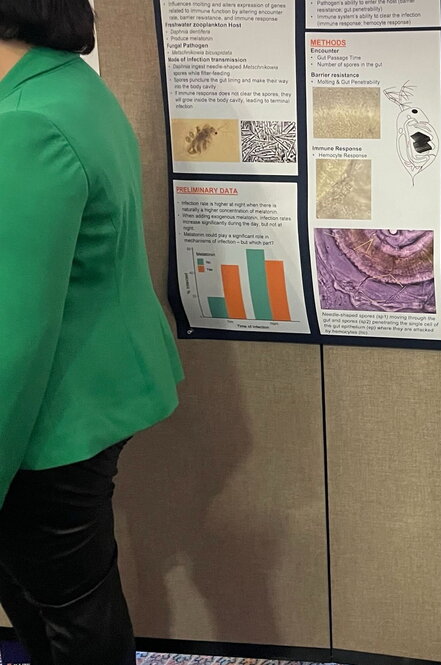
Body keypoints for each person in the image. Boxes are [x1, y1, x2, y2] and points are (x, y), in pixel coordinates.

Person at [0, 1, 183, 663]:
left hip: (49, 423)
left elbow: (11, 343)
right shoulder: (66, 84)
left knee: (70, 604)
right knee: (69, 593)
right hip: (102, 385)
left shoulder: (23, 123)